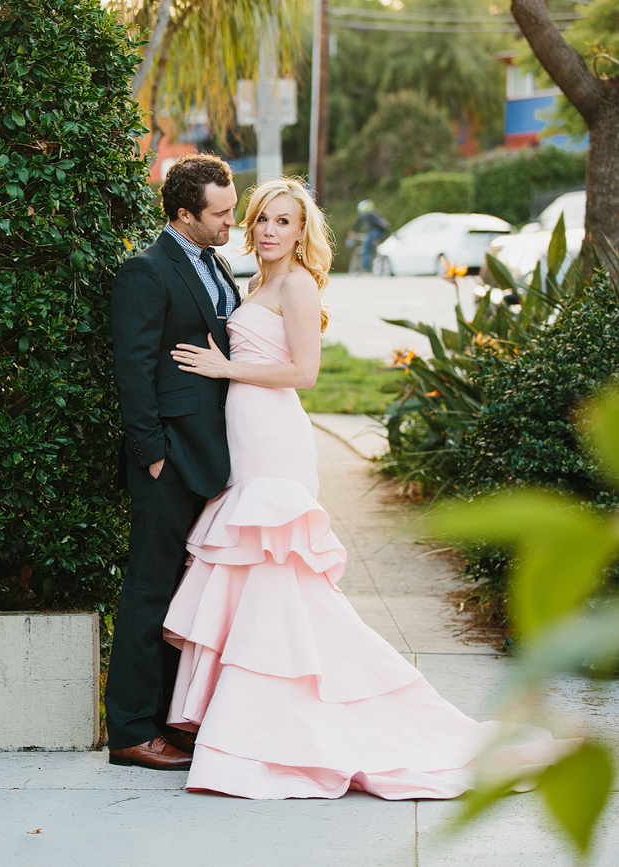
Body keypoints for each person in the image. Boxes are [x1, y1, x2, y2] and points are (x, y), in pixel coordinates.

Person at [161, 178, 565, 799]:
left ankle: (280, 724)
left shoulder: (295, 284)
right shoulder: (255, 283)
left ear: (302, 232)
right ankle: (258, 720)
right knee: (254, 573)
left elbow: (306, 373)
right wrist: (224, 359)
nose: (269, 230)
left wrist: (225, 366)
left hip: (275, 440)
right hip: (245, 437)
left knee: (278, 574)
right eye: (263, 218)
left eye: (284, 221)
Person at [106, 153, 240, 770]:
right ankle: (132, 732)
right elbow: (133, 370)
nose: (230, 224)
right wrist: (151, 454)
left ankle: (169, 720)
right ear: (184, 214)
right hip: (168, 460)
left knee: (187, 594)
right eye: (220, 214)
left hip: (210, 456)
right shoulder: (146, 270)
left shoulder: (214, 262)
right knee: (150, 590)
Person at [352, 199, 389, 272]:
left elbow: (357, 224)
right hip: (381, 233)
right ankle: (377, 259)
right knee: (374, 248)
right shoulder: (375, 213)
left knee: (365, 249)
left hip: (373, 232)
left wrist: (353, 232)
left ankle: (365, 268)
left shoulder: (365, 214)